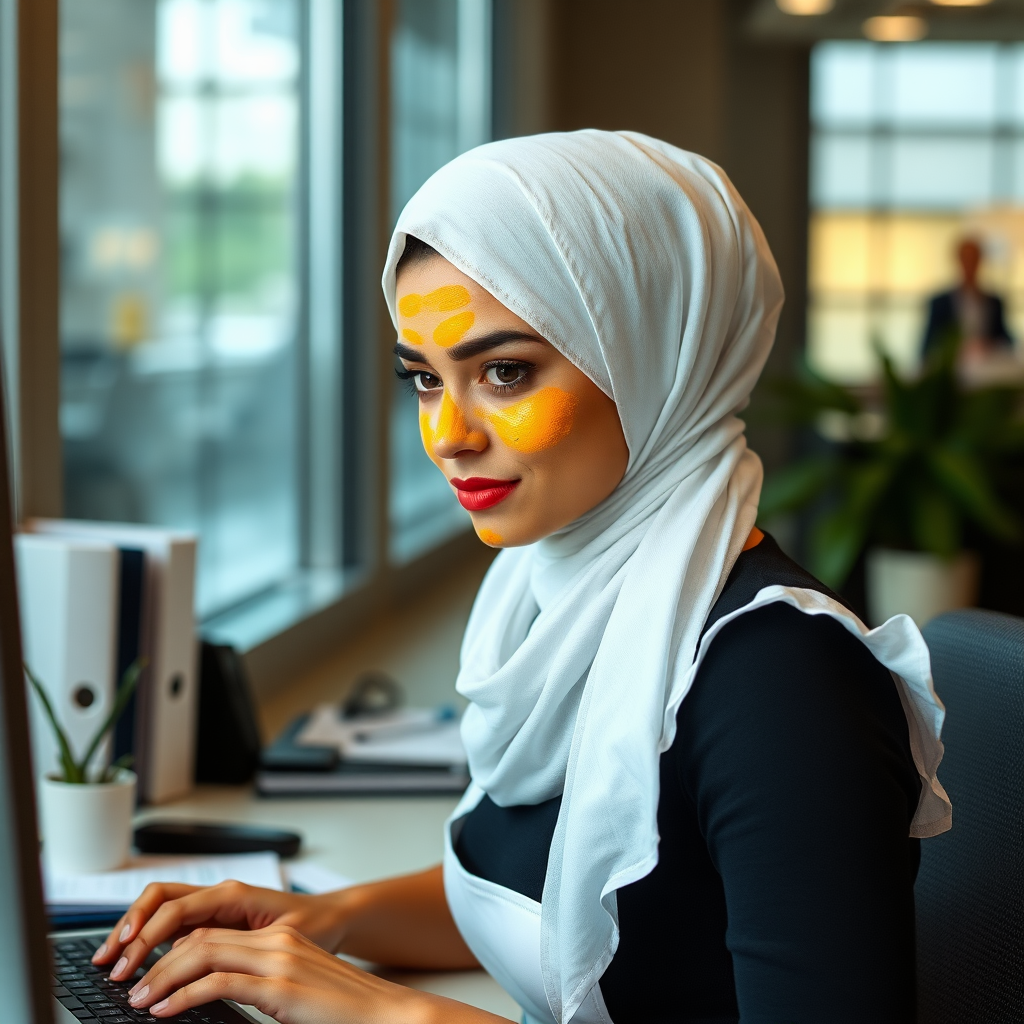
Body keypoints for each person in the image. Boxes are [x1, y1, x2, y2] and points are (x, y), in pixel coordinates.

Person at [91, 131, 951, 1024]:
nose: (446, 435)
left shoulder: (781, 679)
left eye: (505, 372)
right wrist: (330, 921)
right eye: (425, 378)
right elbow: (599, 903)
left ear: (656, 356)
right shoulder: (552, 599)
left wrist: (389, 1014)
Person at [922, 236, 1013, 361]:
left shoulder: (994, 302)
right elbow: (928, 346)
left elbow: (1006, 340)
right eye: (966, 259)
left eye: (973, 259)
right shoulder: (940, 303)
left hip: (988, 366)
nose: (970, 264)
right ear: (958, 261)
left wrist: (989, 344)